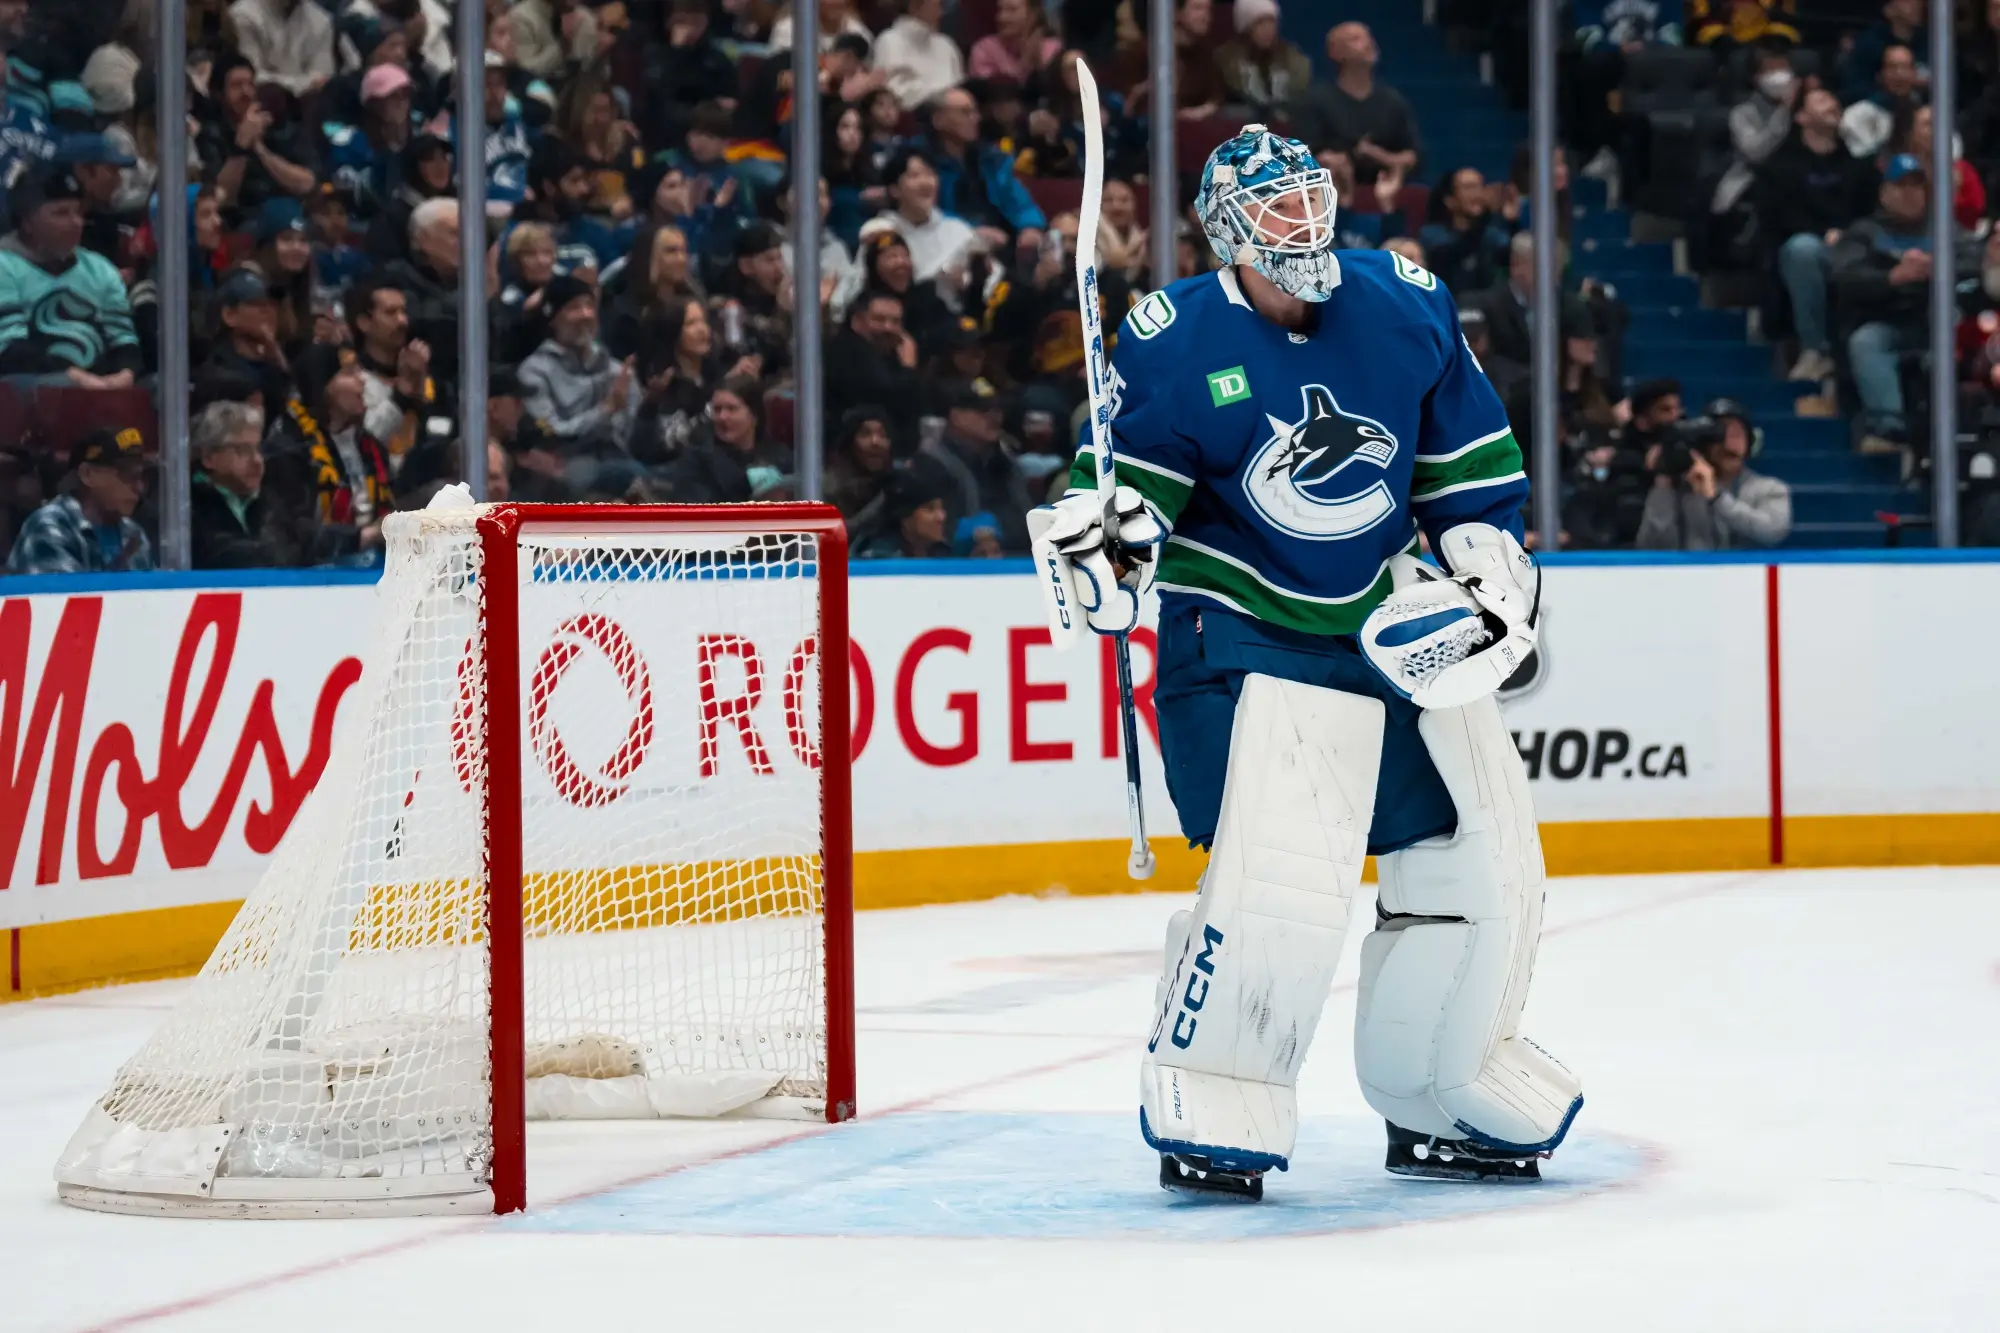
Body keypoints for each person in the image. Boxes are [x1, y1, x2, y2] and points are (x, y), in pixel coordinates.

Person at [1025, 126, 1577, 1197]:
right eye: (1272, 208)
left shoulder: (1403, 301)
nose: (1300, 223)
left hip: (1378, 617)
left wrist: (1491, 581)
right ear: (1226, 230)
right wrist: (1107, 547)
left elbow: (1462, 486)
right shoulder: (1170, 340)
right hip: (1237, 624)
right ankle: (1218, 1076)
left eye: (1307, 196)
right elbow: (1133, 512)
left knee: (1475, 853)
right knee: (1284, 869)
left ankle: (1443, 1078)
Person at [1832, 154, 1980, 453]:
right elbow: (1843, 276)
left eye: (1916, 187)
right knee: (1867, 341)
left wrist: (1939, 267)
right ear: (1885, 193)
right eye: (1901, 187)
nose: (1909, 194)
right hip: (1889, 321)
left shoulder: (1945, 229)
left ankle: (1959, 434)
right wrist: (1892, 277)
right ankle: (1890, 428)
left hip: (1940, 323)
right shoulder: (1865, 232)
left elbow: (1977, 260)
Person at [1760, 87, 1881, 383]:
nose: (1833, 104)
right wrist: (1823, 233)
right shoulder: (1780, 165)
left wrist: (1849, 235)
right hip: (1808, 247)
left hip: (1856, 247)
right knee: (1803, 249)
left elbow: (1873, 213)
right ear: (1801, 116)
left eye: (1833, 99)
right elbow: (1777, 218)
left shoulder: (1858, 166)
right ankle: (1815, 350)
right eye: (1822, 100)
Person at [0, 164, 142, 382]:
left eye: (78, 212)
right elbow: (8, 348)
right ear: (27, 222)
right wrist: (71, 377)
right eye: (61, 213)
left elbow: (123, 339)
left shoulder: (100, 269)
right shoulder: (5, 265)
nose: (76, 222)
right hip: (27, 392)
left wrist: (125, 375)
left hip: (99, 387)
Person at [265, 344, 394, 561]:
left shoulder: (372, 447)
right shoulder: (290, 448)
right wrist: (363, 537)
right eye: (349, 372)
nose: (362, 380)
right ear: (322, 386)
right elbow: (291, 533)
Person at [516, 273, 640, 494]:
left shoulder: (614, 369)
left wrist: (651, 405)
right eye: (574, 307)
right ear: (553, 318)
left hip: (620, 458)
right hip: (567, 465)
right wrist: (606, 409)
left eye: (589, 306)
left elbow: (633, 431)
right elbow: (551, 432)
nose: (585, 315)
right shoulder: (534, 372)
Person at [1637, 398, 1793, 549]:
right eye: (1719, 436)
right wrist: (1663, 483)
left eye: (1736, 436)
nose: (1729, 445)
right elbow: (1651, 546)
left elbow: (1773, 532)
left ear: (1749, 443)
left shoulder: (1771, 489)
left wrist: (1716, 497)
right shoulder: (1681, 491)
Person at [6, 426, 151, 574]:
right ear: (87, 474)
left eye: (141, 476)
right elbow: (62, 595)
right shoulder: (50, 527)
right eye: (127, 474)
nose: (139, 487)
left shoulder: (133, 533)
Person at [1292, 22, 1421, 187]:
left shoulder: (1393, 101)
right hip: (1332, 189)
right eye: (1356, 39)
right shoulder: (1315, 101)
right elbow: (1304, 155)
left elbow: (1411, 155)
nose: (1368, 44)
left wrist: (1379, 156)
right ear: (1335, 52)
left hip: (1386, 186)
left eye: (1369, 38)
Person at [917, 378, 1034, 553]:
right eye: (983, 410)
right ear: (955, 415)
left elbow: (1027, 522)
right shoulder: (930, 464)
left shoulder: (1006, 462)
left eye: (997, 410)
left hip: (1014, 564)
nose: (994, 417)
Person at [189, 399, 288, 568]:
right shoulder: (189, 508)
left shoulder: (269, 501)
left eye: (258, 449)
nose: (257, 461)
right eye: (243, 450)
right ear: (208, 457)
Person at [667, 376, 793, 502]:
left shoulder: (780, 456)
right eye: (717, 409)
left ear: (754, 415)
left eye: (732, 409)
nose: (722, 417)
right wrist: (744, 483)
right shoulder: (697, 458)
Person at [882, 147, 978, 284]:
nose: (926, 183)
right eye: (914, 176)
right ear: (894, 189)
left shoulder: (958, 230)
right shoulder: (881, 234)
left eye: (930, 175)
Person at [1417, 167, 1512, 295]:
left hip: (1488, 310)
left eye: (1480, 187)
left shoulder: (1492, 235)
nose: (1477, 194)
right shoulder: (1432, 236)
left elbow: (1510, 255)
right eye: (1469, 188)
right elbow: (1455, 253)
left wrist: (1511, 221)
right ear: (1450, 200)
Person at [1215, 0, 1313, 121]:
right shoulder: (1227, 61)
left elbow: (1299, 100)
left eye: (1272, 22)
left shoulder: (1292, 59)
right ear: (1246, 28)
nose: (1268, 29)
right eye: (1260, 22)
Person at [825, 404, 900, 547]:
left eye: (883, 435)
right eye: (865, 434)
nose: (875, 442)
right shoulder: (826, 488)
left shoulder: (897, 485)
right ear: (849, 442)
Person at [229, 0, 337, 97]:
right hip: (260, 99)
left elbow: (323, 77)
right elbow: (251, 76)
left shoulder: (321, 20)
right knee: (271, 93)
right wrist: (302, 84)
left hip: (309, 101)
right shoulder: (243, 14)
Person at [875, 0, 964, 112]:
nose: (940, 13)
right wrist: (939, 98)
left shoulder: (947, 46)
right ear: (914, 7)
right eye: (937, 6)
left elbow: (961, 89)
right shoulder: (889, 42)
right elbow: (894, 93)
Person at [1841, 43, 1924, 161]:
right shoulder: (1857, 116)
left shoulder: (1930, 117)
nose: (1899, 75)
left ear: (1915, 74)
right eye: (1892, 68)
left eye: (1906, 67)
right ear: (1880, 75)